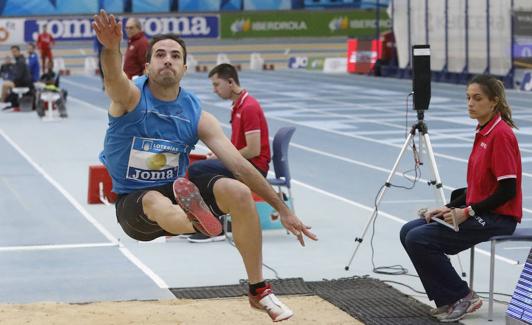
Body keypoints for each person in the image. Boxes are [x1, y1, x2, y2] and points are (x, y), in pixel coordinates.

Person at [92, 10, 317, 322]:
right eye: (159, 54)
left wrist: (284, 208)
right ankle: (199, 222)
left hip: (176, 192)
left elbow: (240, 163)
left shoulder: (195, 114)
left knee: (237, 191)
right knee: (155, 200)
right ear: (147, 66)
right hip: (134, 205)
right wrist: (111, 48)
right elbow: (114, 78)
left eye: (175, 55)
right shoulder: (130, 97)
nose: (167, 60)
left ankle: (258, 289)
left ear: (185, 67)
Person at [399, 75, 521, 323]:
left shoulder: (500, 135)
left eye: (477, 98)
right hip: (480, 211)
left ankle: (463, 296)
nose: (470, 103)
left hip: (499, 218)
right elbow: (478, 187)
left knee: (419, 238)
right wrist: (447, 207)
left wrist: (468, 212)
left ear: (494, 101)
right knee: (408, 230)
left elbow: (507, 190)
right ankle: (448, 298)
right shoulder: (483, 130)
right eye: (468, 98)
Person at [187, 63, 271, 243]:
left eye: (217, 84)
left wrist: (224, 157)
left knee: (197, 170)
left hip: (254, 167)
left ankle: (214, 226)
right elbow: (236, 145)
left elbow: (253, 150)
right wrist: (218, 154)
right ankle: (212, 220)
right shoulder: (238, 105)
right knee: (201, 165)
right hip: (243, 161)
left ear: (231, 82)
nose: (214, 90)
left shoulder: (249, 107)